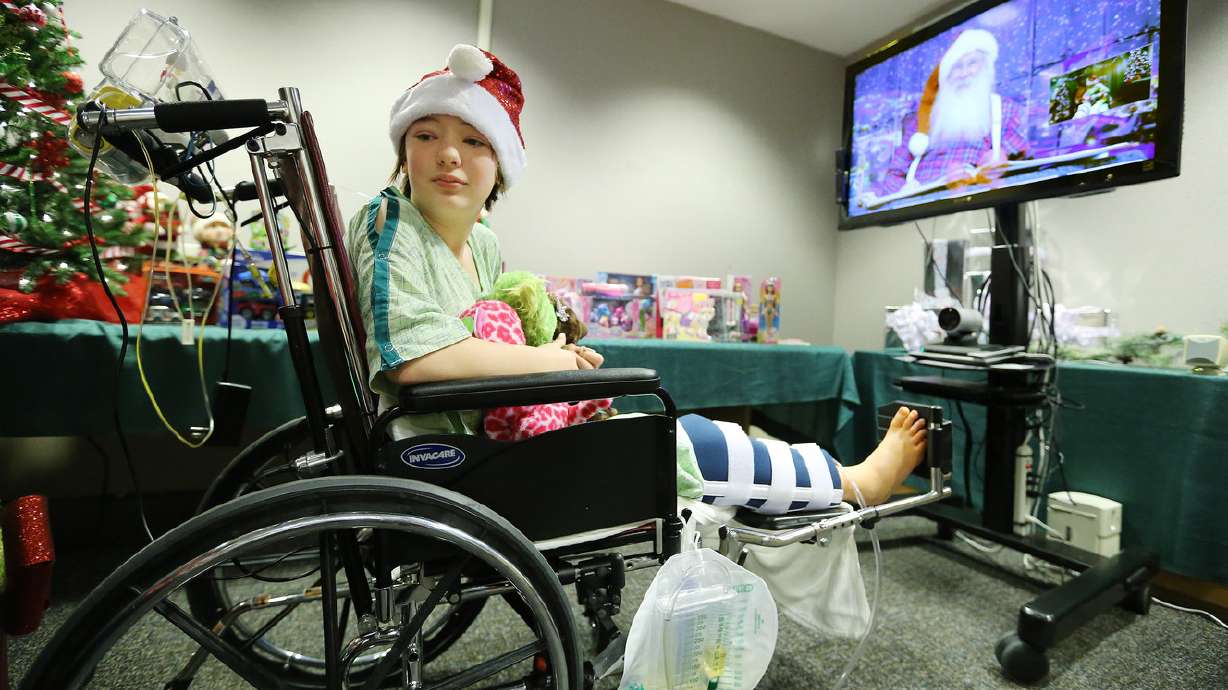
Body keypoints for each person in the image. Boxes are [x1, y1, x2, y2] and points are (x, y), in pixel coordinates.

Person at [347, 44, 926, 509]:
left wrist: (558, 355)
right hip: (458, 456)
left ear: (499, 163)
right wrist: (545, 365)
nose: (449, 155)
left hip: (508, 429)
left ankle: (832, 478)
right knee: (687, 440)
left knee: (695, 435)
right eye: (427, 136)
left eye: (473, 141)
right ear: (405, 151)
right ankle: (854, 484)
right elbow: (413, 358)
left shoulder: (482, 242)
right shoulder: (388, 221)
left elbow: (500, 344)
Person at [865, 28, 1028, 203]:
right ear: (946, 73)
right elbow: (894, 176)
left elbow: (1027, 161)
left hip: (979, 204)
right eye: (957, 66)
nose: (965, 73)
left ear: (985, 67)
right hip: (921, 207)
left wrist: (1001, 160)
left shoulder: (1004, 109)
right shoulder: (922, 119)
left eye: (972, 63)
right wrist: (911, 193)